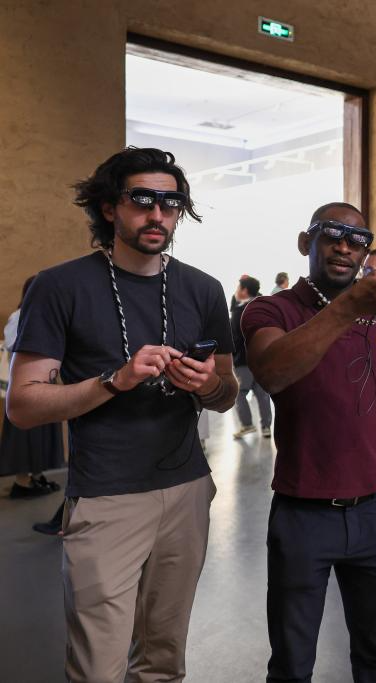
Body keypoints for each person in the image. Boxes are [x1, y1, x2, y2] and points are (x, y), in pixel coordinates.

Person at [6, 147, 238, 682]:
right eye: (142, 200)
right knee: (98, 669)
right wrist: (116, 380)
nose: (158, 215)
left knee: (164, 660)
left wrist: (206, 384)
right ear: (110, 207)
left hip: (187, 490)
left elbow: (226, 392)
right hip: (105, 496)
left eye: (170, 203)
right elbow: (23, 405)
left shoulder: (203, 289)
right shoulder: (59, 287)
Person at [242, 202, 376, 683]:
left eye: (358, 239)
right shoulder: (271, 310)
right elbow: (273, 373)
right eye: (332, 234)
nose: (345, 246)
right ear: (306, 242)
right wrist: (350, 308)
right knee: (292, 663)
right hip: (303, 515)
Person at [1, 276, 64, 498]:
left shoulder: (47, 315)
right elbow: (13, 343)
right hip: (25, 383)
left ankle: (36, 476)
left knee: (43, 435)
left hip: (47, 383)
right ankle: (22, 482)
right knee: (24, 436)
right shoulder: (19, 316)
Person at [231, 275, 273, 438]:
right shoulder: (262, 307)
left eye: (238, 288)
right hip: (262, 359)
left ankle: (247, 424)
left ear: (244, 291)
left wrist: (232, 356)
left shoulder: (239, 312)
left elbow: (235, 338)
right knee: (262, 394)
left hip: (244, 360)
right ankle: (266, 427)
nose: (236, 291)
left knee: (239, 393)